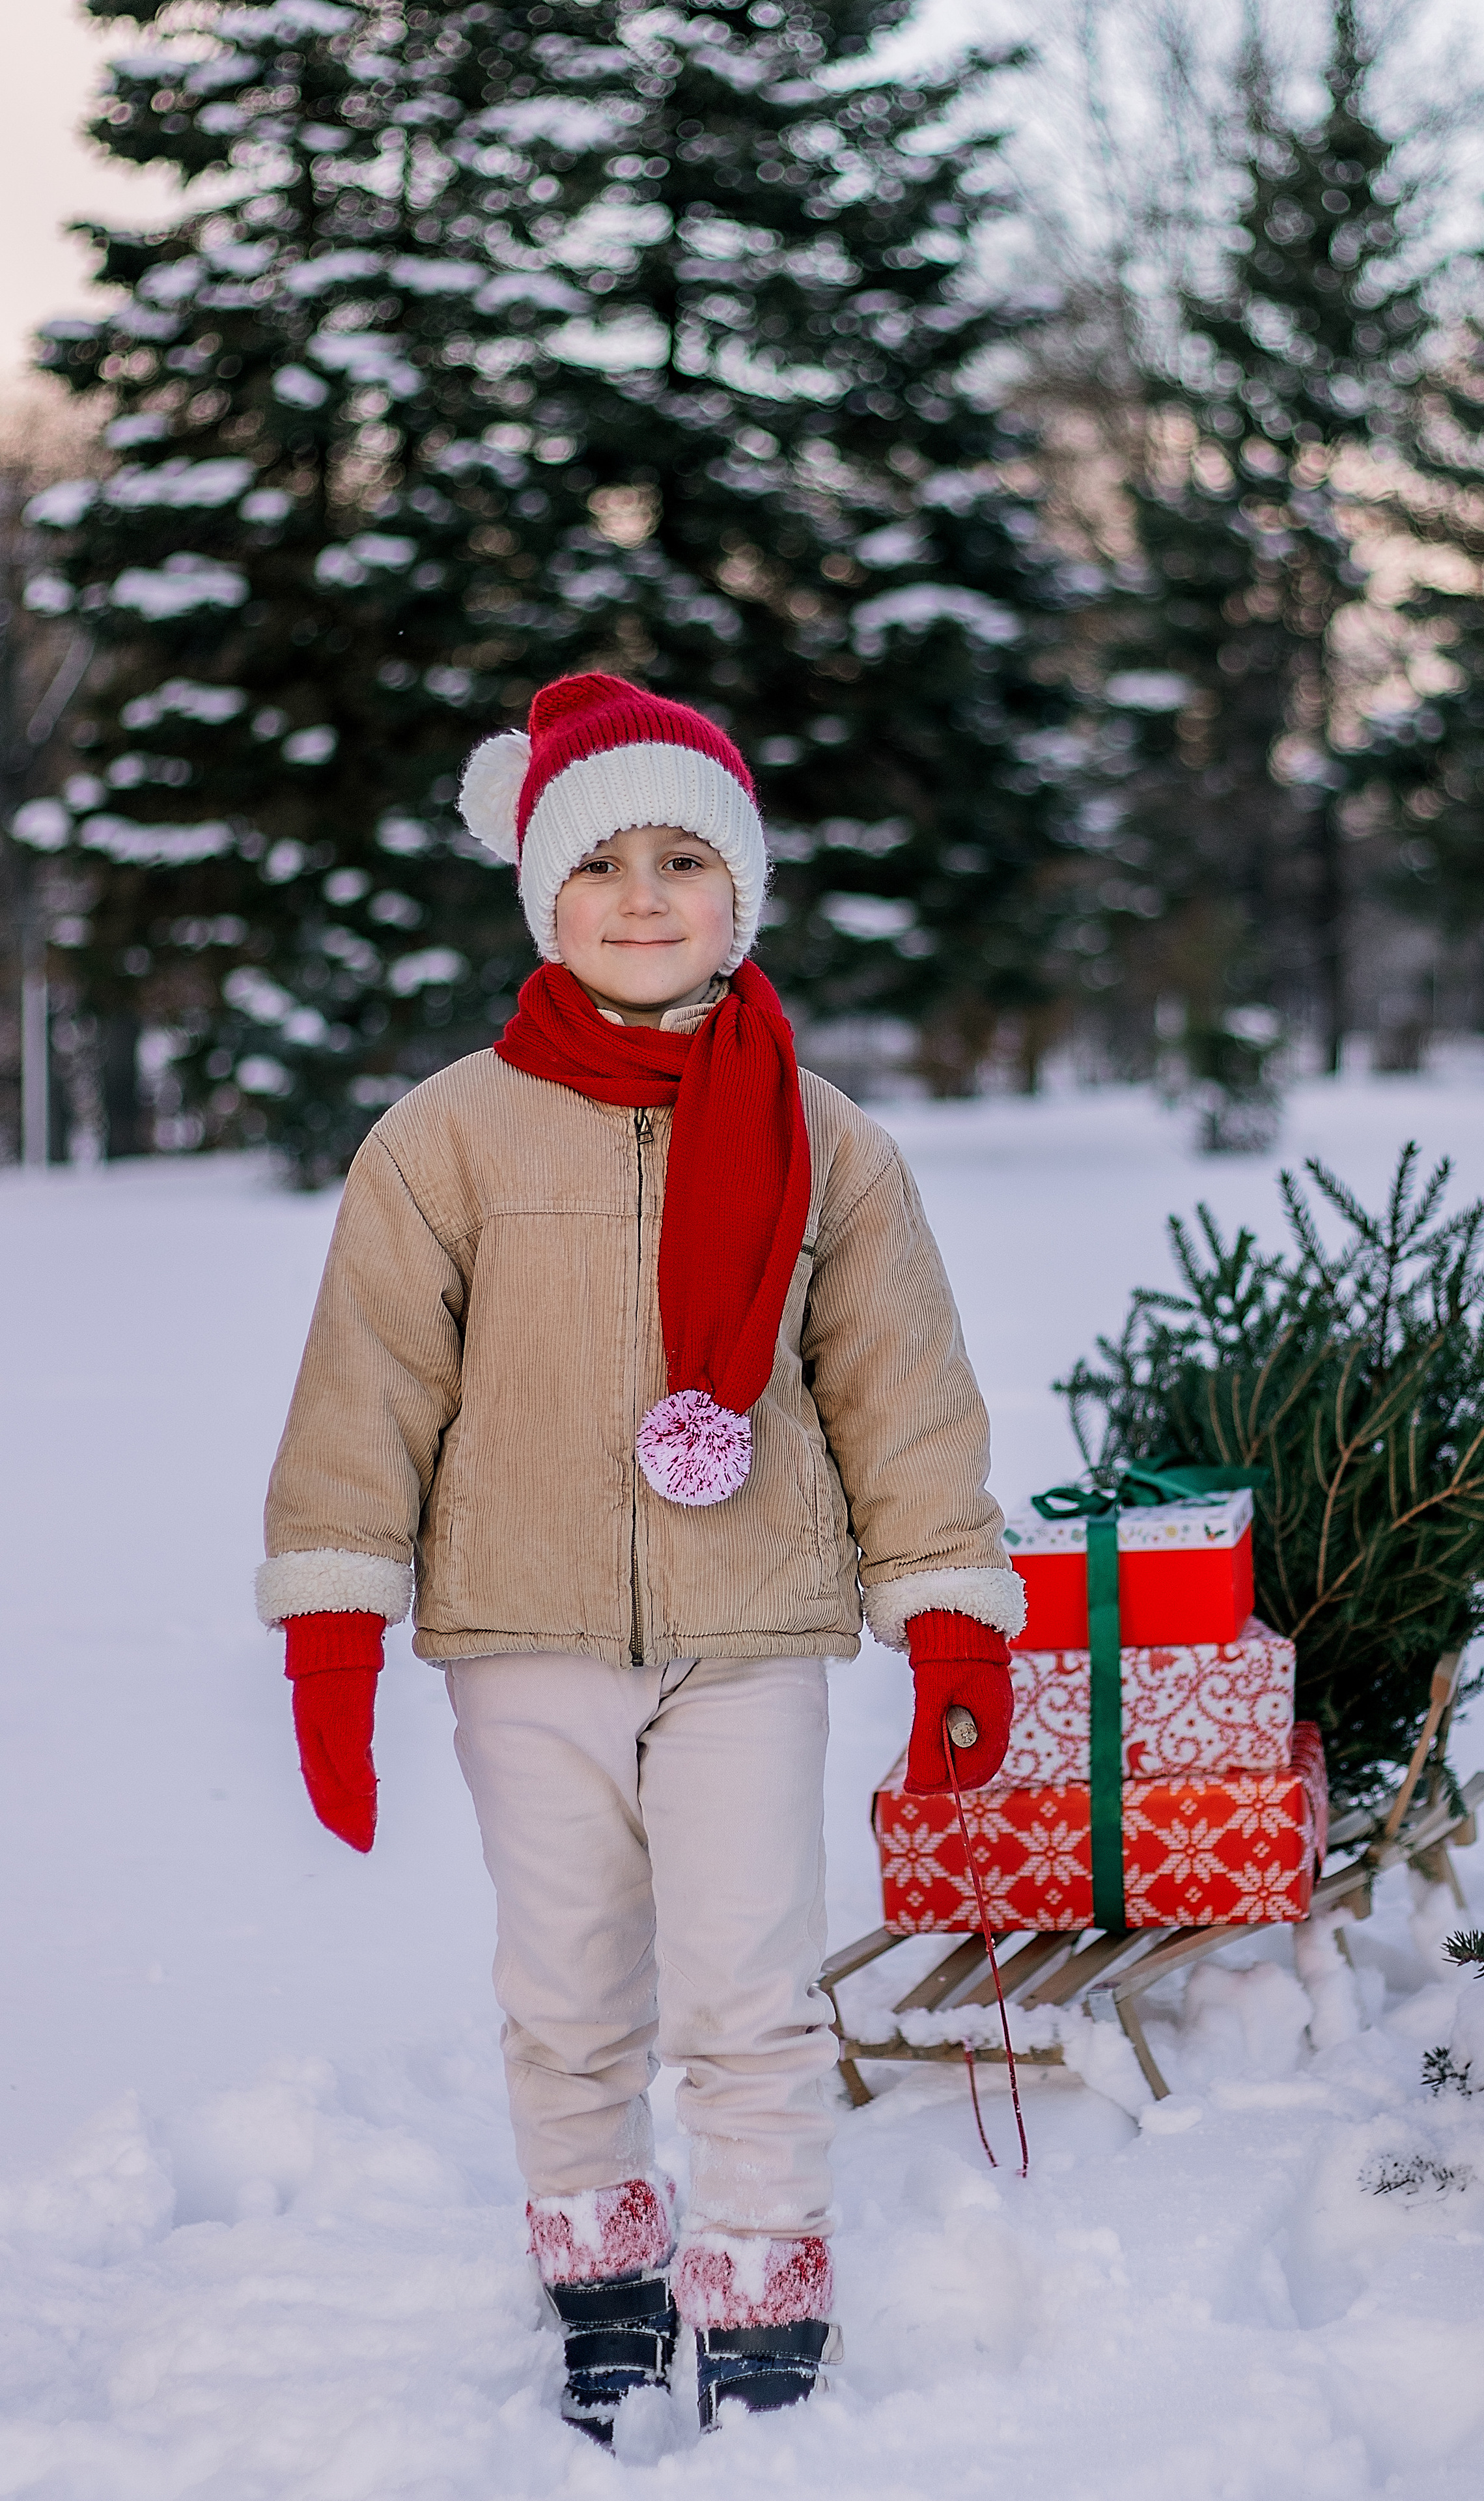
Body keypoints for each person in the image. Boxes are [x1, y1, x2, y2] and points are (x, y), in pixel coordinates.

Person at [257, 672, 1022, 2444]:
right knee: (569, 1991)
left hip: (748, 1630)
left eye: (686, 859)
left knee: (751, 1988)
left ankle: (762, 2288)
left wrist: (952, 1619)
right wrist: (334, 1629)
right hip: (523, 1635)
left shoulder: (829, 1139)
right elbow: (366, 1389)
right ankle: (604, 2282)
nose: (645, 896)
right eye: (602, 863)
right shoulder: (446, 1137)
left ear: (740, 889)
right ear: (544, 893)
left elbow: (903, 1391)